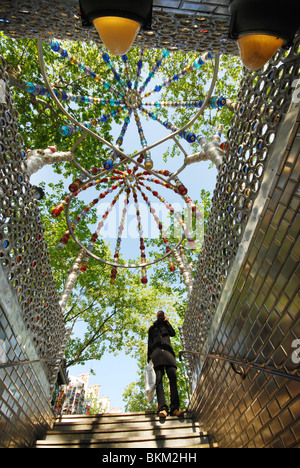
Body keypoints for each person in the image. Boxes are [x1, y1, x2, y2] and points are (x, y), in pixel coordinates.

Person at [147, 310, 185, 418]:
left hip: (168, 353)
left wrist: (166, 322)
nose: (160, 317)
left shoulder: (166, 325)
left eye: (162, 315)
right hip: (156, 355)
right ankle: (162, 408)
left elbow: (173, 333)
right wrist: (149, 358)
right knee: (158, 380)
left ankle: (175, 408)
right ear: (156, 316)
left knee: (172, 377)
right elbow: (149, 343)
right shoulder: (152, 328)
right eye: (159, 315)